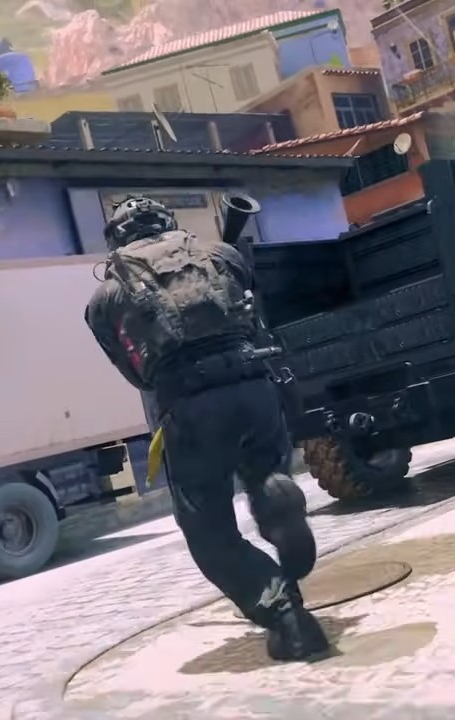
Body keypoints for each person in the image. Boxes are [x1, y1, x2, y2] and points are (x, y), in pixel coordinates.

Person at [83, 195, 329, 661]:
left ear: (117, 239)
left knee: (208, 528)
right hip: (255, 384)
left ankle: (287, 618)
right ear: (168, 222)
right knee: (263, 471)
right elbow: (255, 317)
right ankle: (277, 498)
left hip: (192, 405)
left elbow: (136, 375)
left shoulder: (106, 297)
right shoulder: (221, 254)